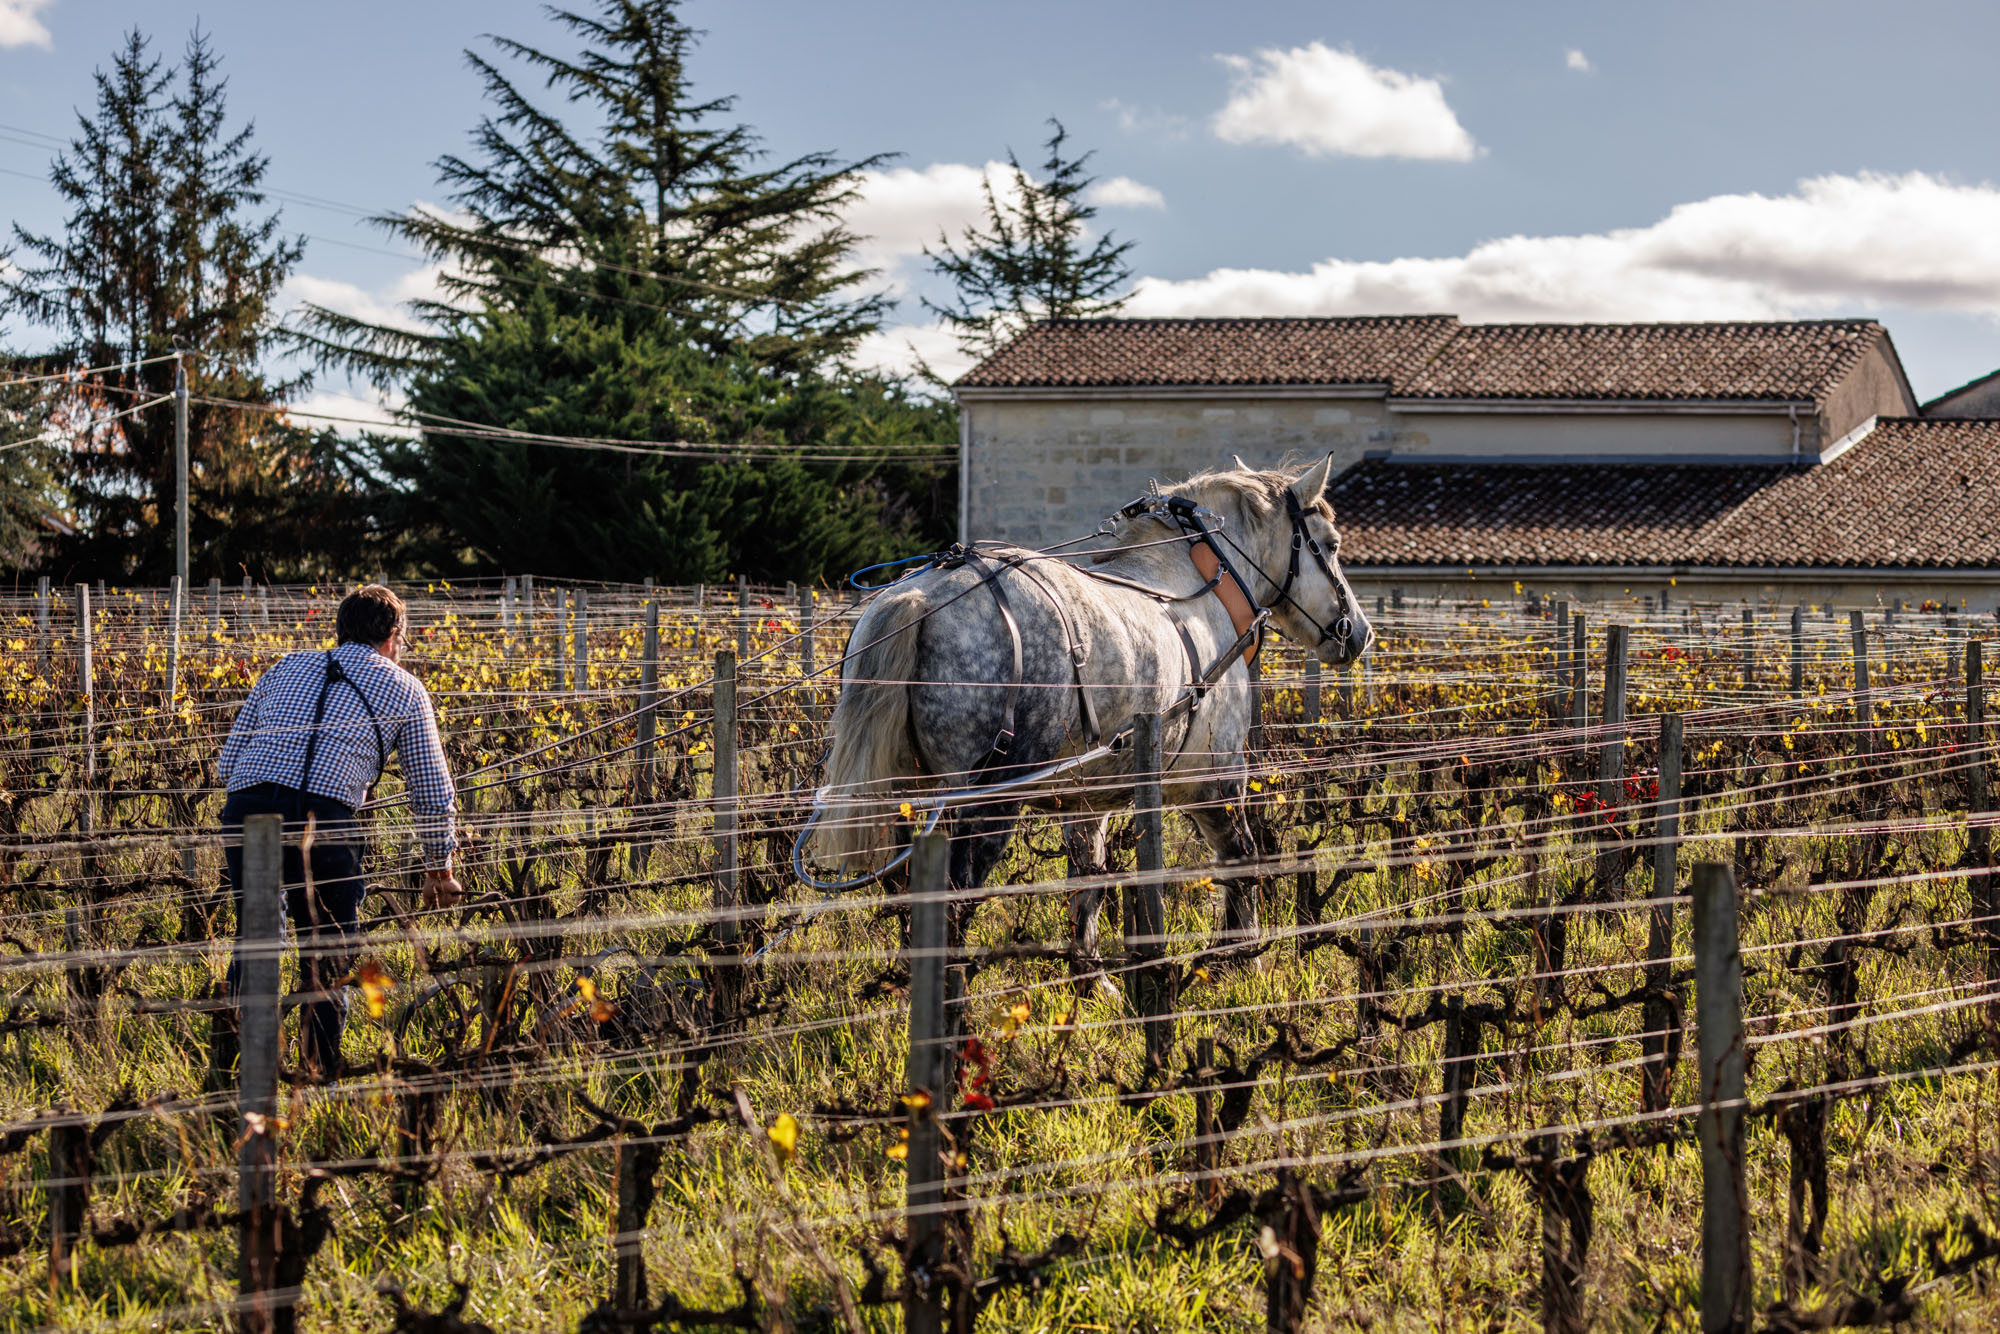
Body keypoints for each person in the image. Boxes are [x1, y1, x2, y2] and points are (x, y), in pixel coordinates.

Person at [217, 584, 463, 1076]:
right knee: (327, 950)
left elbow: (228, 763)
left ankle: (236, 1069)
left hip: (249, 810)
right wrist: (440, 868)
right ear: (393, 636)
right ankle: (318, 1073)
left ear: (339, 628)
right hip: (325, 821)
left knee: (258, 939)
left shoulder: (286, 666)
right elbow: (432, 789)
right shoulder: (406, 688)